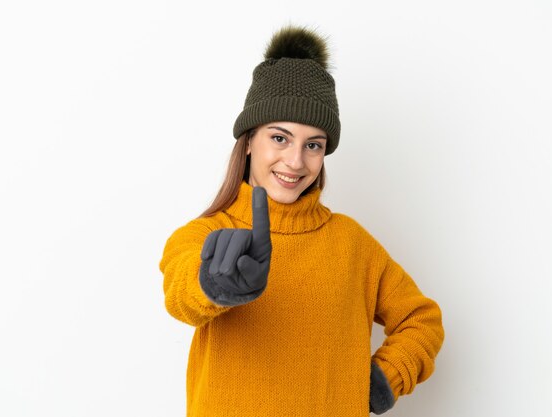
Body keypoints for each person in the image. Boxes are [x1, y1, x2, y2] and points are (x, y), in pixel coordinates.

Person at [159, 25, 444, 417]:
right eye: (280, 138)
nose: (296, 161)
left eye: (313, 145)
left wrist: (382, 381)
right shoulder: (204, 234)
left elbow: (421, 320)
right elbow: (180, 294)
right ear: (248, 141)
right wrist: (213, 284)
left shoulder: (351, 243)